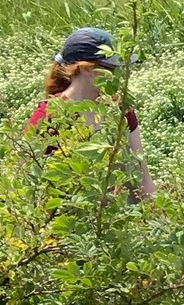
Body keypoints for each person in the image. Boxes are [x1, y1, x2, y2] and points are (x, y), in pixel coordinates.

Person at [29, 27, 156, 200]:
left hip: (122, 218)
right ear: (87, 69)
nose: (120, 77)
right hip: (70, 217)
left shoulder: (120, 109)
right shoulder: (49, 115)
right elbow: (23, 182)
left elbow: (143, 178)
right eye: (113, 69)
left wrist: (158, 217)